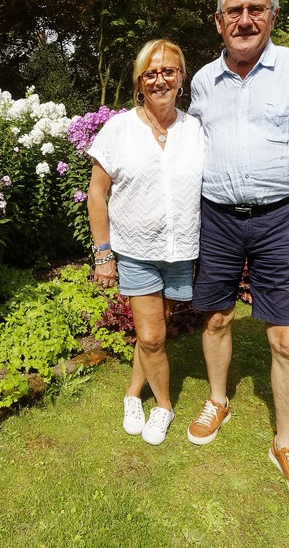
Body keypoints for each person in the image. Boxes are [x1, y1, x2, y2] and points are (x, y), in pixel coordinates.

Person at [185, 0, 289, 511]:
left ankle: (286, 444)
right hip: (219, 219)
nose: (245, 20)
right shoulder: (203, 80)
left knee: (287, 337)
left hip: (281, 218)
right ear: (219, 21)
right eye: (235, 11)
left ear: (273, 15)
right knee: (216, 317)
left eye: (256, 10)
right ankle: (217, 399)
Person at [86, 39, 203, 446]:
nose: (160, 80)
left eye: (168, 71)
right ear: (139, 81)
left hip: (180, 250)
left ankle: (132, 393)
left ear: (181, 77)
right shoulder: (119, 128)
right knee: (153, 337)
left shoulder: (195, 129)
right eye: (151, 73)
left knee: (154, 331)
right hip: (136, 250)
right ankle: (164, 406)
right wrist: (103, 254)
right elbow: (96, 193)